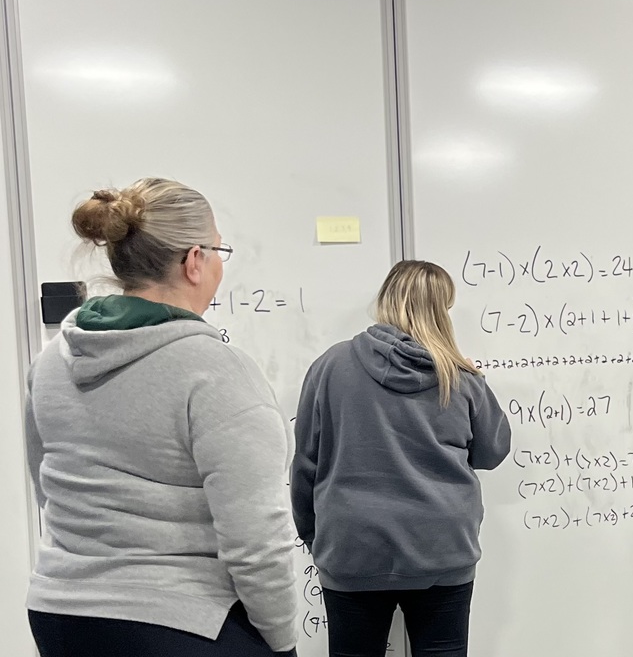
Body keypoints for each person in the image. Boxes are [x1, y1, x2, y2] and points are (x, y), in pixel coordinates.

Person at [23, 178, 298, 656]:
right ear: (195, 260)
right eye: (219, 250)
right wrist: (282, 640)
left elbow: (47, 486)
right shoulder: (216, 371)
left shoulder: (51, 361)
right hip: (178, 620)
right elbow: (256, 538)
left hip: (60, 615)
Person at [291, 259, 511, 657]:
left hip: (352, 547)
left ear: (386, 300)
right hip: (442, 547)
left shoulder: (330, 366)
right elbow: (492, 451)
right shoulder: (459, 377)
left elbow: (306, 462)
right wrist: (477, 382)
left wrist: (315, 537)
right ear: (440, 310)